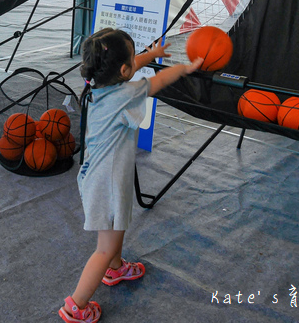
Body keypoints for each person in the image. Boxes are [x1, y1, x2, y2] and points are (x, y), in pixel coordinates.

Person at [58, 28, 202, 322]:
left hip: (97, 176)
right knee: (103, 247)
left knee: (117, 225)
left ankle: (115, 268)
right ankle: (76, 305)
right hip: (107, 183)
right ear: (123, 70)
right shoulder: (127, 93)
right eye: (134, 57)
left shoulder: (94, 84)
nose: (137, 61)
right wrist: (185, 68)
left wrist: (153, 54)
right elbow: (158, 80)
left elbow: (130, 66)